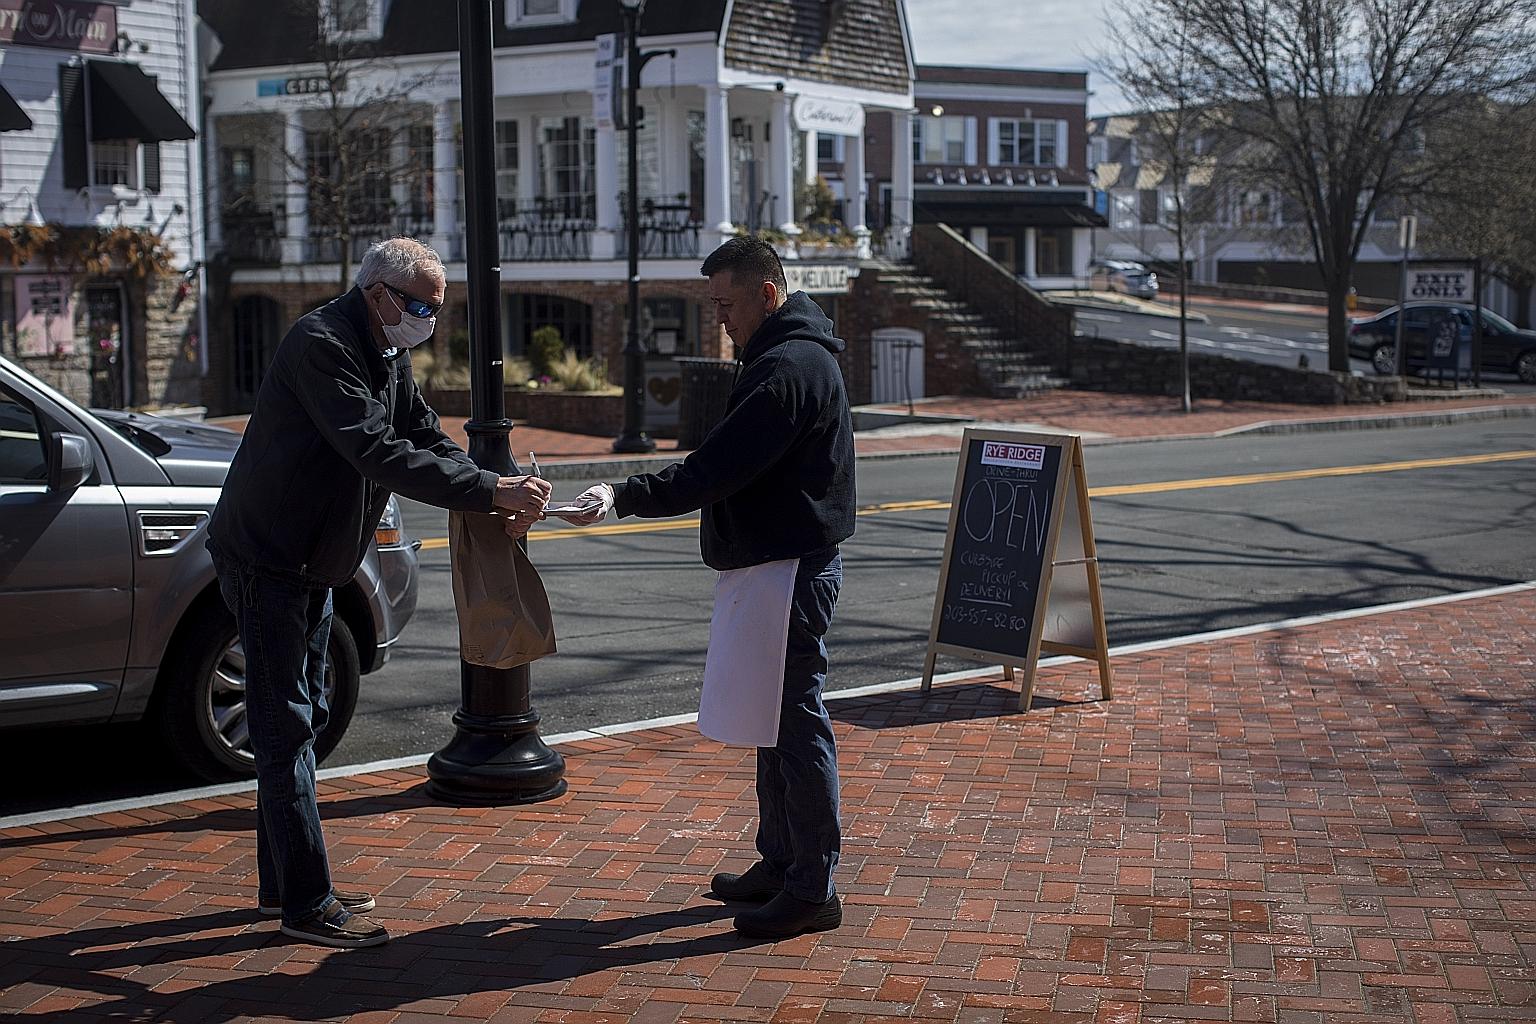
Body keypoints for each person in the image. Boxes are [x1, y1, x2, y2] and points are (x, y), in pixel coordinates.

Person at [206, 238, 550, 949]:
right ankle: (306, 903)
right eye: (420, 305)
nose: (427, 319)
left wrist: (488, 487)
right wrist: (491, 489)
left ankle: (282, 885)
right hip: (270, 558)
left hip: (317, 562)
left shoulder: (384, 347)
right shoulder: (322, 343)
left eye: (436, 309)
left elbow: (419, 430)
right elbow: (377, 451)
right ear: (379, 293)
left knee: (310, 712)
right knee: (286, 728)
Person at [560, 236, 855, 939]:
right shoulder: (783, 352)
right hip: (774, 563)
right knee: (770, 720)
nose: (718, 317)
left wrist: (622, 492)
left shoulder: (787, 366)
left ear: (767, 294)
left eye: (726, 304)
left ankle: (812, 886)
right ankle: (781, 861)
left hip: (787, 568)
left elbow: (713, 468)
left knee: (792, 723)